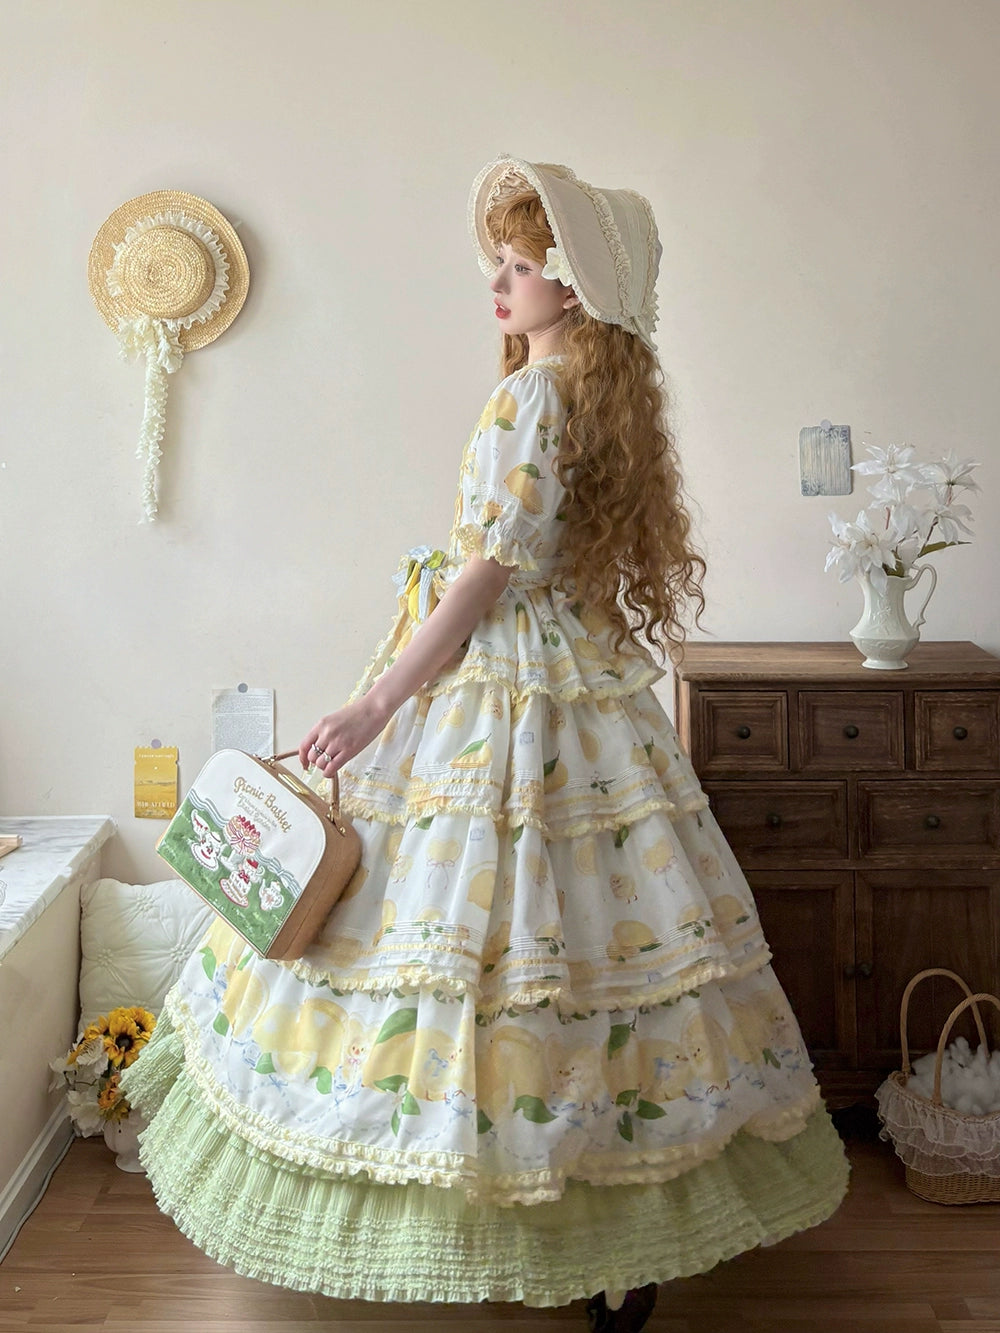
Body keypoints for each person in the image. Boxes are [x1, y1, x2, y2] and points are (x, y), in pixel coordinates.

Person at [121, 154, 849, 1332]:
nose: (497, 285)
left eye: (518, 266)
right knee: (584, 945)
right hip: (573, 683)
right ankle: (603, 1232)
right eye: (500, 264)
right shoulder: (589, 395)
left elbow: (485, 577)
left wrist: (377, 704)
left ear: (573, 284)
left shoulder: (533, 397)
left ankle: (509, 1215)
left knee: (466, 945)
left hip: (499, 689)